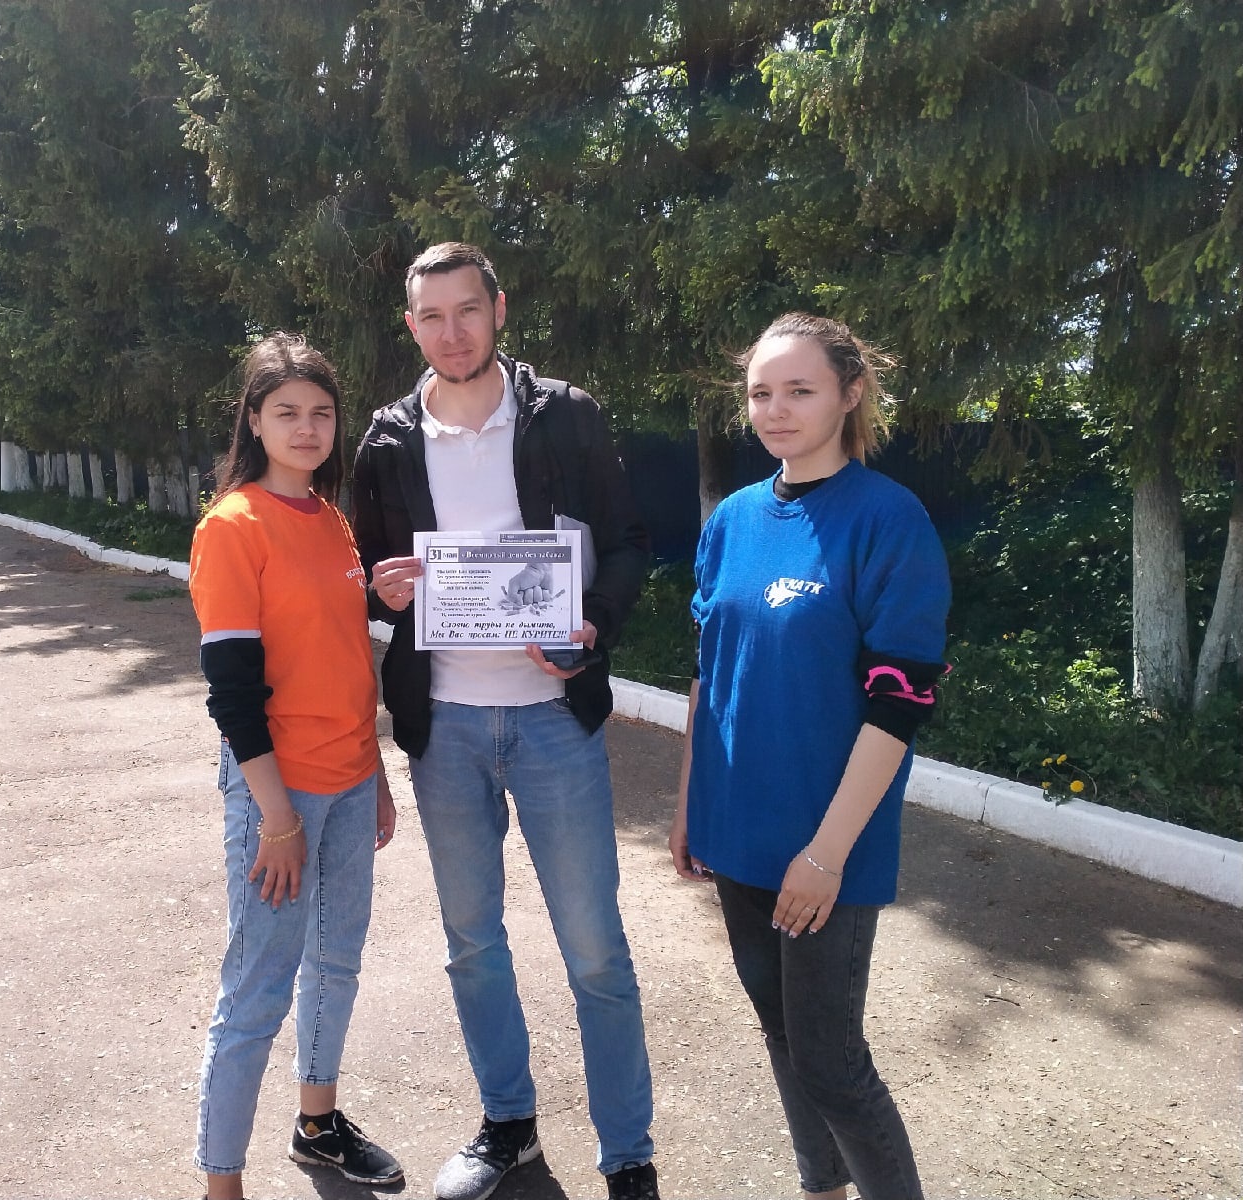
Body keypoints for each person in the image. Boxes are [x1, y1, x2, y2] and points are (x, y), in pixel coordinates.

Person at [352, 242, 659, 1200]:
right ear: (411, 326)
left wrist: (593, 622)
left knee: (595, 950)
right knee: (473, 943)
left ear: (499, 308)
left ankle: (628, 1155)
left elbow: (629, 543)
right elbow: (368, 578)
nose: (452, 332)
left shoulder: (564, 415)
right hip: (444, 728)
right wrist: (382, 590)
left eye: (467, 310)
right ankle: (507, 1125)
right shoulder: (386, 441)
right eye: (432, 316)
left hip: (554, 722)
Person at [671, 312, 950, 1200]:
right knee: (782, 1035)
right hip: (734, 831)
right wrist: (688, 807)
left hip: (827, 847)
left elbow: (900, 706)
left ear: (850, 394)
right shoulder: (732, 521)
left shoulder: (888, 520)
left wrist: (826, 855)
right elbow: (710, 674)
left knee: (831, 1059)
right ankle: (819, 1188)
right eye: (761, 393)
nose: (776, 411)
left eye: (800, 390)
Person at [188, 332, 403, 1200]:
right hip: (278, 792)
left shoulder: (331, 518)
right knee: (257, 993)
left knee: (336, 963)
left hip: (349, 781)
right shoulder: (233, 526)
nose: (307, 428)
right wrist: (275, 818)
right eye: (287, 412)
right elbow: (233, 693)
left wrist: (375, 774)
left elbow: (346, 660)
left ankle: (318, 1124)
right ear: (254, 420)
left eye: (321, 412)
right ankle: (222, 1185)